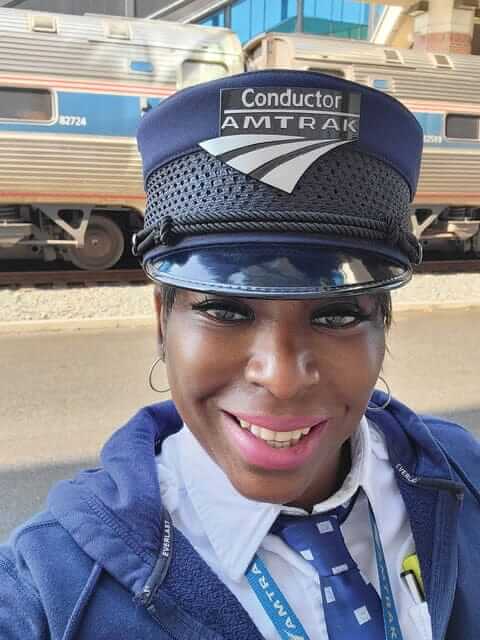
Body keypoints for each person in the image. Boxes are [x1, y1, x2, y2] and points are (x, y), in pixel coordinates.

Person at [1, 70, 479, 640]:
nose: (280, 378)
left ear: (384, 324)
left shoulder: (463, 475)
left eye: (337, 314)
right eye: (227, 311)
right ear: (162, 320)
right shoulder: (50, 589)